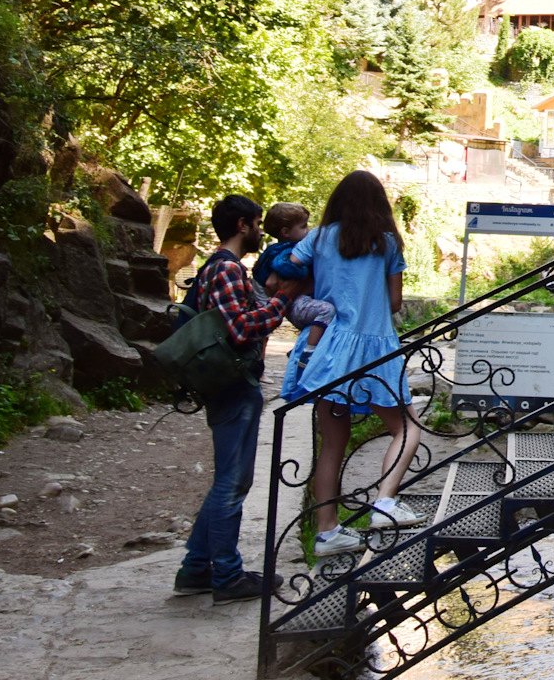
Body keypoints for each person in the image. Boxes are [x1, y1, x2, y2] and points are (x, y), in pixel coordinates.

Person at [284, 170, 423, 557]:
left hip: (328, 349)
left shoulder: (320, 237)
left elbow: (290, 265)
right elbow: (394, 304)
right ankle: (384, 503)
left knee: (332, 443)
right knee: (407, 428)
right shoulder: (387, 242)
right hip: (373, 348)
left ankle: (327, 533)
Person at [173, 194, 296, 602]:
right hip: (232, 386)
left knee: (229, 479)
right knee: (233, 482)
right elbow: (241, 329)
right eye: (258, 223)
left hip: (227, 385)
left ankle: (195, 569)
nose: (262, 230)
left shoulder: (218, 267)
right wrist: (283, 300)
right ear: (243, 225)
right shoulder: (226, 269)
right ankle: (226, 574)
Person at [254, 204, 337, 393]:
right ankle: (308, 352)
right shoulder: (285, 250)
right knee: (327, 310)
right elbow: (282, 266)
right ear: (285, 232)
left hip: (294, 302)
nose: (308, 231)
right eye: (303, 227)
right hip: (295, 301)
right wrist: (302, 270)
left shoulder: (281, 247)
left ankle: (300, 350)